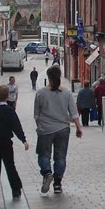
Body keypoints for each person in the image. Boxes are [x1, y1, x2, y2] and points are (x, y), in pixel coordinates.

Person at [34, 65, 82, 194]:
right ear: (60, 76)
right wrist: (78, 128)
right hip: (63, 129)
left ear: (48, 77)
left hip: (45, 129)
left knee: (44, 155)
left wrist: (39, 127)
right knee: (60, 157)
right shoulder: (67, 93)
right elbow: (74, 113)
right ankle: (57, 184)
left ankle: (47, 173)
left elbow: (36, 115)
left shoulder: (41, 93)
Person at [0, 84, 29, 204]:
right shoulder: (9, 110)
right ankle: (16, 189)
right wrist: (23, 139)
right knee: (10, 165)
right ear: (7, 96)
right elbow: (16, 126)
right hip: (6, 142)